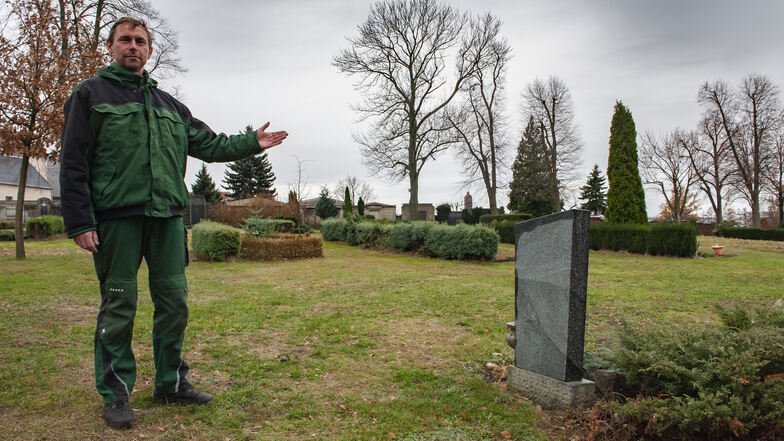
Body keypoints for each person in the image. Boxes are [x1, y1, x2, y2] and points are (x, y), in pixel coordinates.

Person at [60, 17, 287, 430]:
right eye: (125, 40)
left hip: (167, 219)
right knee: (119, 304)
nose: (133, 46)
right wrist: (79, 220)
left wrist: (252, 142)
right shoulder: (90, 95)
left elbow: (211, 144)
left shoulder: (171, 106)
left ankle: (170, 384)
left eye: (141, 41)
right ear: (110, 47)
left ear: (149, 51)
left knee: (174, 303)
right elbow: (73, 161)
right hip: (116, 219)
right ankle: (116, 393)